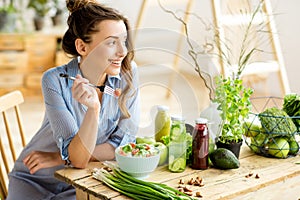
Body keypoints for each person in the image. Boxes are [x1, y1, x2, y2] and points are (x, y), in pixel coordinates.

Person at [7, 0, 140, 199]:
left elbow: (123, 145)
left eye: (123, 41)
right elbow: (78, 158)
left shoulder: (128, 74)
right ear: (82, 47)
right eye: (112, 42)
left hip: (83, 179)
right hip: (35, 179)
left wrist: (60, 157)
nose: (122, 52)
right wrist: (93, 110)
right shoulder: (54, 80)